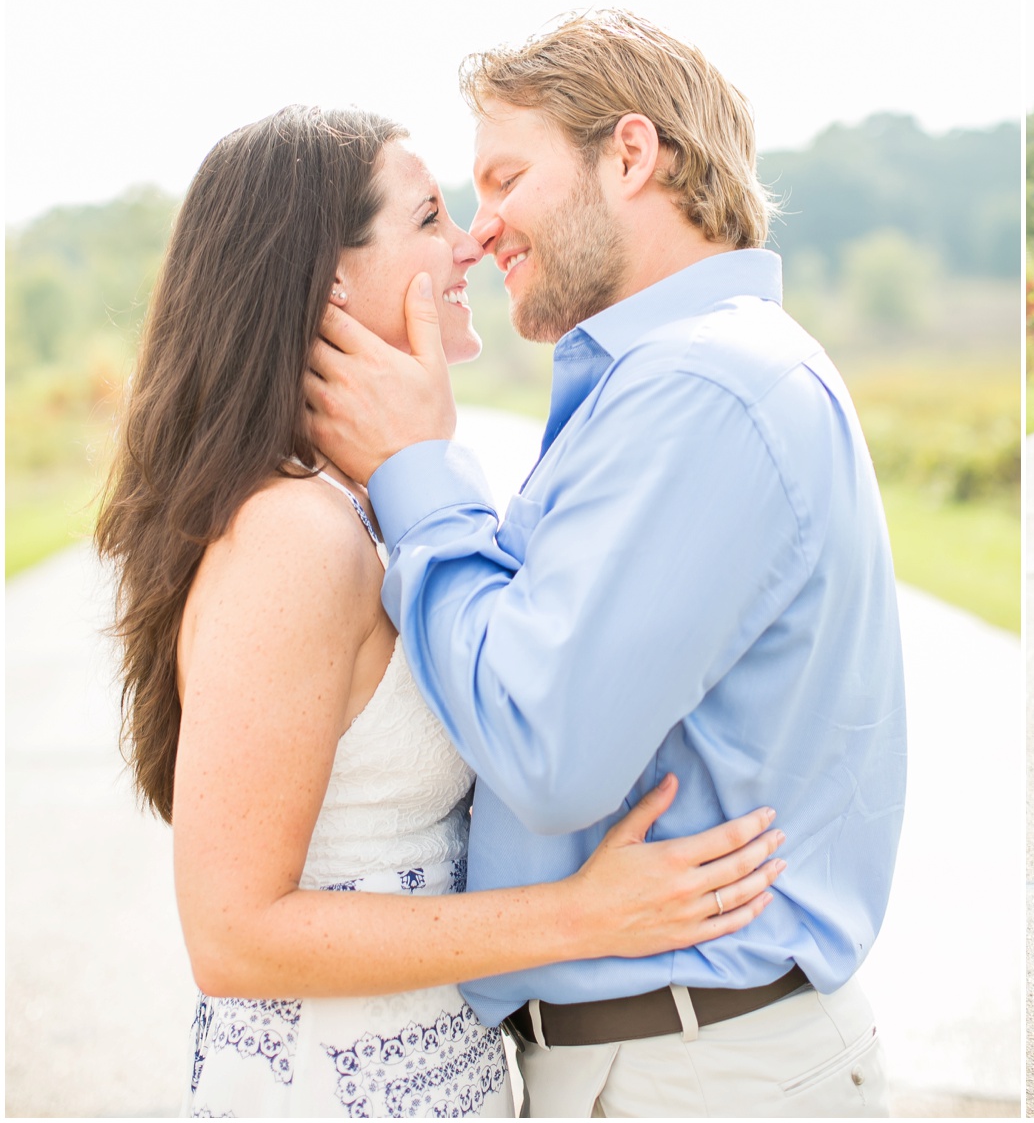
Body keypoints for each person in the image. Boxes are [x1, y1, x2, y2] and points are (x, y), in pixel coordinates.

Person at [98, 108, 785, 1118]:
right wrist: (576, 916)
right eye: (428, 216)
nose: (471, 237)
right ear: (329, 280)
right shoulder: (297, 533)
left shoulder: (362, 511)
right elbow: (232, 935)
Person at [303, 11, 907, 1117]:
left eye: (504, 178)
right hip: (668, 1056)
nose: (480, 234)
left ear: (631, 154)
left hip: (696, 1068)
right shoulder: (675, 380)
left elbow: (546, 747)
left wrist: (412, 473)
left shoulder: (702, 386)